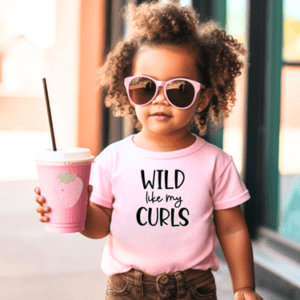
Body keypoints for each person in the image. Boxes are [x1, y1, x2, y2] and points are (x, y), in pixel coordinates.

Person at [35, 1, 264, 299]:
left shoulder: (216, 163)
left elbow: (232, 230)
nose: (159, 99)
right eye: (145, 87)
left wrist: (244, 287)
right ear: (129, 92)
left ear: (203, 98)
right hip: (127, 289)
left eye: (178, 89)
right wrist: (75, 209)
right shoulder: (112, 159)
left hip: (193, 289)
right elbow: (100, 225)